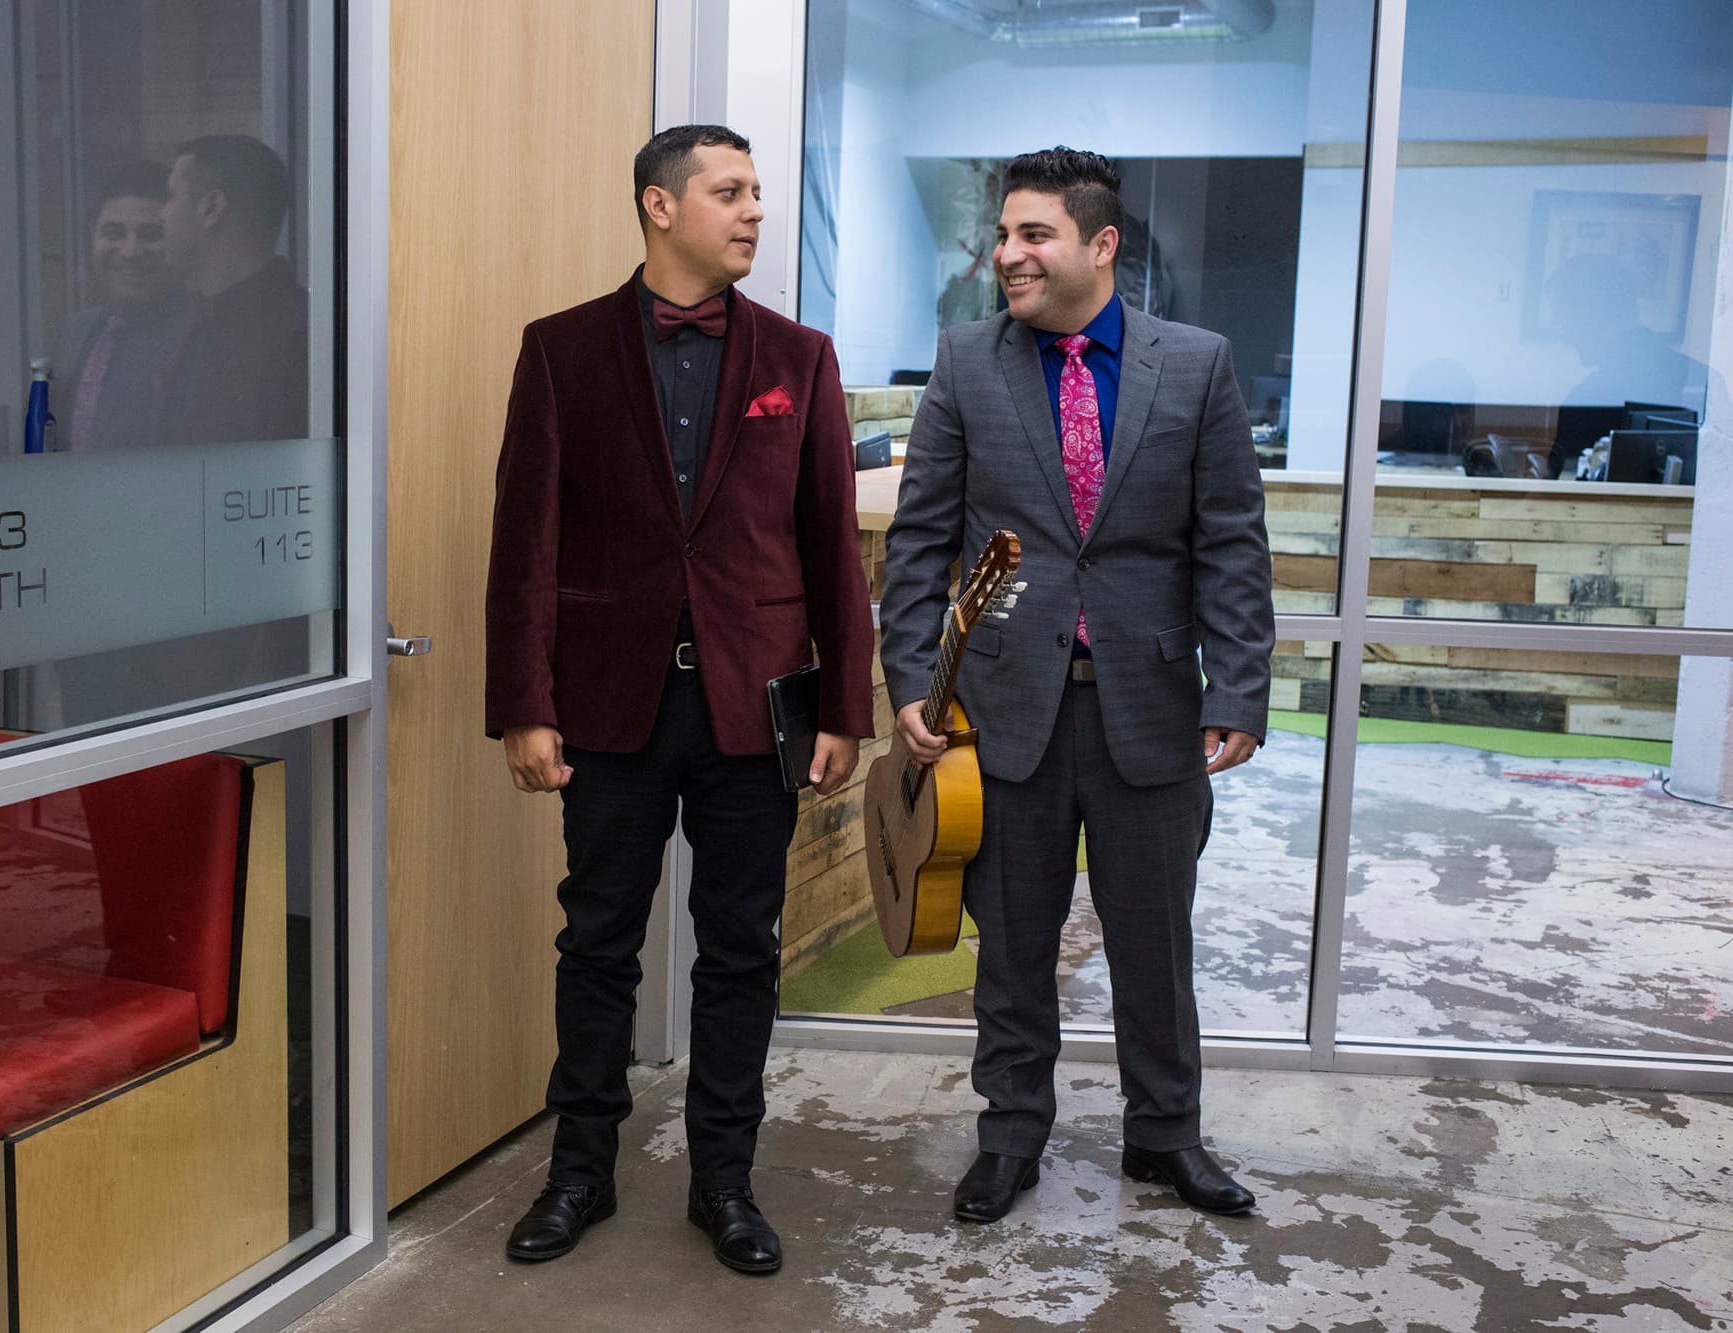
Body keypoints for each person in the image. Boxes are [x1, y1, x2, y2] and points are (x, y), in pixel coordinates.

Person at [484, 124, 874, 1273]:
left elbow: (827, 549)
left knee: (738, 950)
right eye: (730, 191)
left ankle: (724, 1184)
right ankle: (578, 1175)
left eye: (756, 192)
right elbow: (525, 539)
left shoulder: (798, 358)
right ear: (660, 207)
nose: (754, 210)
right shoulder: (559, 351)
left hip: (753, 713)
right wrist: (523, 700)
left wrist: (842, 709)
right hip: (608, 706)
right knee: (597, 941)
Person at [880, 147, 1274, 1224]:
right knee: (1011, 947)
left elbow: (1229, 542)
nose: (1005, 254)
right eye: (1002, 234)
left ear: (1099, 245)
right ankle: (1008, 1137)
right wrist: (913, 678)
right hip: (1004, 713)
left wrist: (1236, 689)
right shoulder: (966, 363)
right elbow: (919, 543)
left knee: (1155, 942)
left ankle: (1164, 1137)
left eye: (1031, 234)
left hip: (1150, 706)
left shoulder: (1194, 365)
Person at [157, 134, 308, 446]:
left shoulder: (294, 338)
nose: (162, 214)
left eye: (171, 196)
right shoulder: (195, 321)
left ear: (212, 208)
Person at [53, 160, 184, 453]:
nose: (130, 252)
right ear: (92, 237)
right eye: (114, 233)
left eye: (151, 235)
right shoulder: (73, 332)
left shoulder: (195, 337)